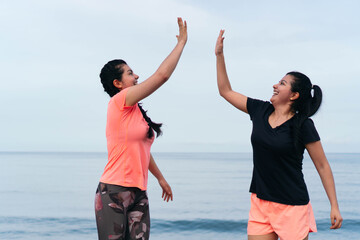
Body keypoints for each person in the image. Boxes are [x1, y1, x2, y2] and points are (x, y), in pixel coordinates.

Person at [215, 29, 342, 240]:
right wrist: (219, 56)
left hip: (292, 207)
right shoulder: (259, 110)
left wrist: (334, 206)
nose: (275, 85)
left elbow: (322, 165)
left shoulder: (303, 125)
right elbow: (225, 91)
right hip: (261, 202)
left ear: (294, 95)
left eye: (282, 83)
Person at [95, 18, 187, 240]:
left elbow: (142, 151)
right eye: (129, 73)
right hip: (114, 193)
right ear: (118, 84)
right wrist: (181, 43)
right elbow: (162, 76)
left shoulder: (135, 112)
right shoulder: (120, 101)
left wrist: (160, 178)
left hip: (139, 193)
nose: (136, 76)